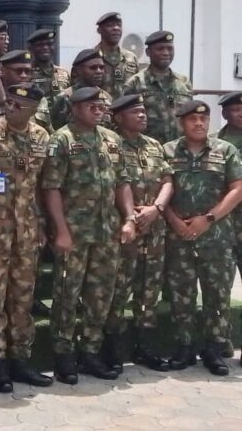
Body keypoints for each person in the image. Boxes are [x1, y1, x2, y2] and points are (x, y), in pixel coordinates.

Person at [42, 86, 137, 385]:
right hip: (74, 232)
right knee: (67, 295)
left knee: (100, 295)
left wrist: (129, 218)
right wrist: (61, 230)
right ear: (75, 108)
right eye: (91, 106)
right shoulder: (62, 140)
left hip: (106, 231)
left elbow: (122, 181)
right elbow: (51, 187)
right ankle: (63, 356)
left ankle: (91, 352)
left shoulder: (111, 139)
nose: (98, 110)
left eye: (101, 106)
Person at [0, 83, 53, 392]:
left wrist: (43, 224)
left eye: (19, 105)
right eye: (9, 101)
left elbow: (42, 186)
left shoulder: (41, 137)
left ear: (33, 109)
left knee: (22, 299)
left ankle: (21, 360)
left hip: (27, 231)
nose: (11, 108)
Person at [162, 100, 242, 376]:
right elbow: (162, 190)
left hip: (216, 235)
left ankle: (214, 349)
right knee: (181, 294)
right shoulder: (168, 151)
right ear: (181, 122)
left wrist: (208, 219)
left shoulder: (225, 150)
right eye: (192, 120)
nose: (199, 124)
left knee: (217, 295)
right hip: (178, 235)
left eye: (203, 119)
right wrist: (174, 222)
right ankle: (184, 347)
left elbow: (237, 188)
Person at [102, 95, 173, 373]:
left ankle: (144, 347)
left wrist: (156, 208)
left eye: (144, 111)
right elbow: (116, 185)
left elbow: (167, 180)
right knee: (119, 288)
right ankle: (112, 348)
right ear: (118, 117)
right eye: (136, 112)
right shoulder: (111, 145)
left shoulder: (154, 145)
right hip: (123, 229)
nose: (143, 116)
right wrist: (131, 215)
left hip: (153, 228)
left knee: (150, 290)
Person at [123, 30, 193, 144]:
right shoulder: (135, 83)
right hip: (148, 151)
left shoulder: (184, 82)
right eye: (160, 49)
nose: (166, 53)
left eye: (170, 48)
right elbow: (126, 123)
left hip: (179, 151)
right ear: (148, 52)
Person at [216, 91, 242, 360]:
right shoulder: (216, 144)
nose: (241, 114)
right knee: (221, 287)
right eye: (236, 110)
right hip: (224, 226)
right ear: (225, 113)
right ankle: (222, 340)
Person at [48, 49, 112, 131]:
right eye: (93, 68)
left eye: (102, 67)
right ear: (76, 72)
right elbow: (56, 129)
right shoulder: (65, 97)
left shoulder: (107, 97)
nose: (99, 71)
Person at [94, 12, 139, 99]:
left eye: (119, 25)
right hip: (100, 110)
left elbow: (136, 88)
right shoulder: (91, 57)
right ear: (99, 30)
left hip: (125, 111)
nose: (116, 28)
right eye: (110, 25)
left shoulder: (131, 58)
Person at [27, 28, 70, 107]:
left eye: (49, 44)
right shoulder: (26, 74)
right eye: (40, 45)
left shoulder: (64, 73)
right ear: (31, 49)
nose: (45, 48)